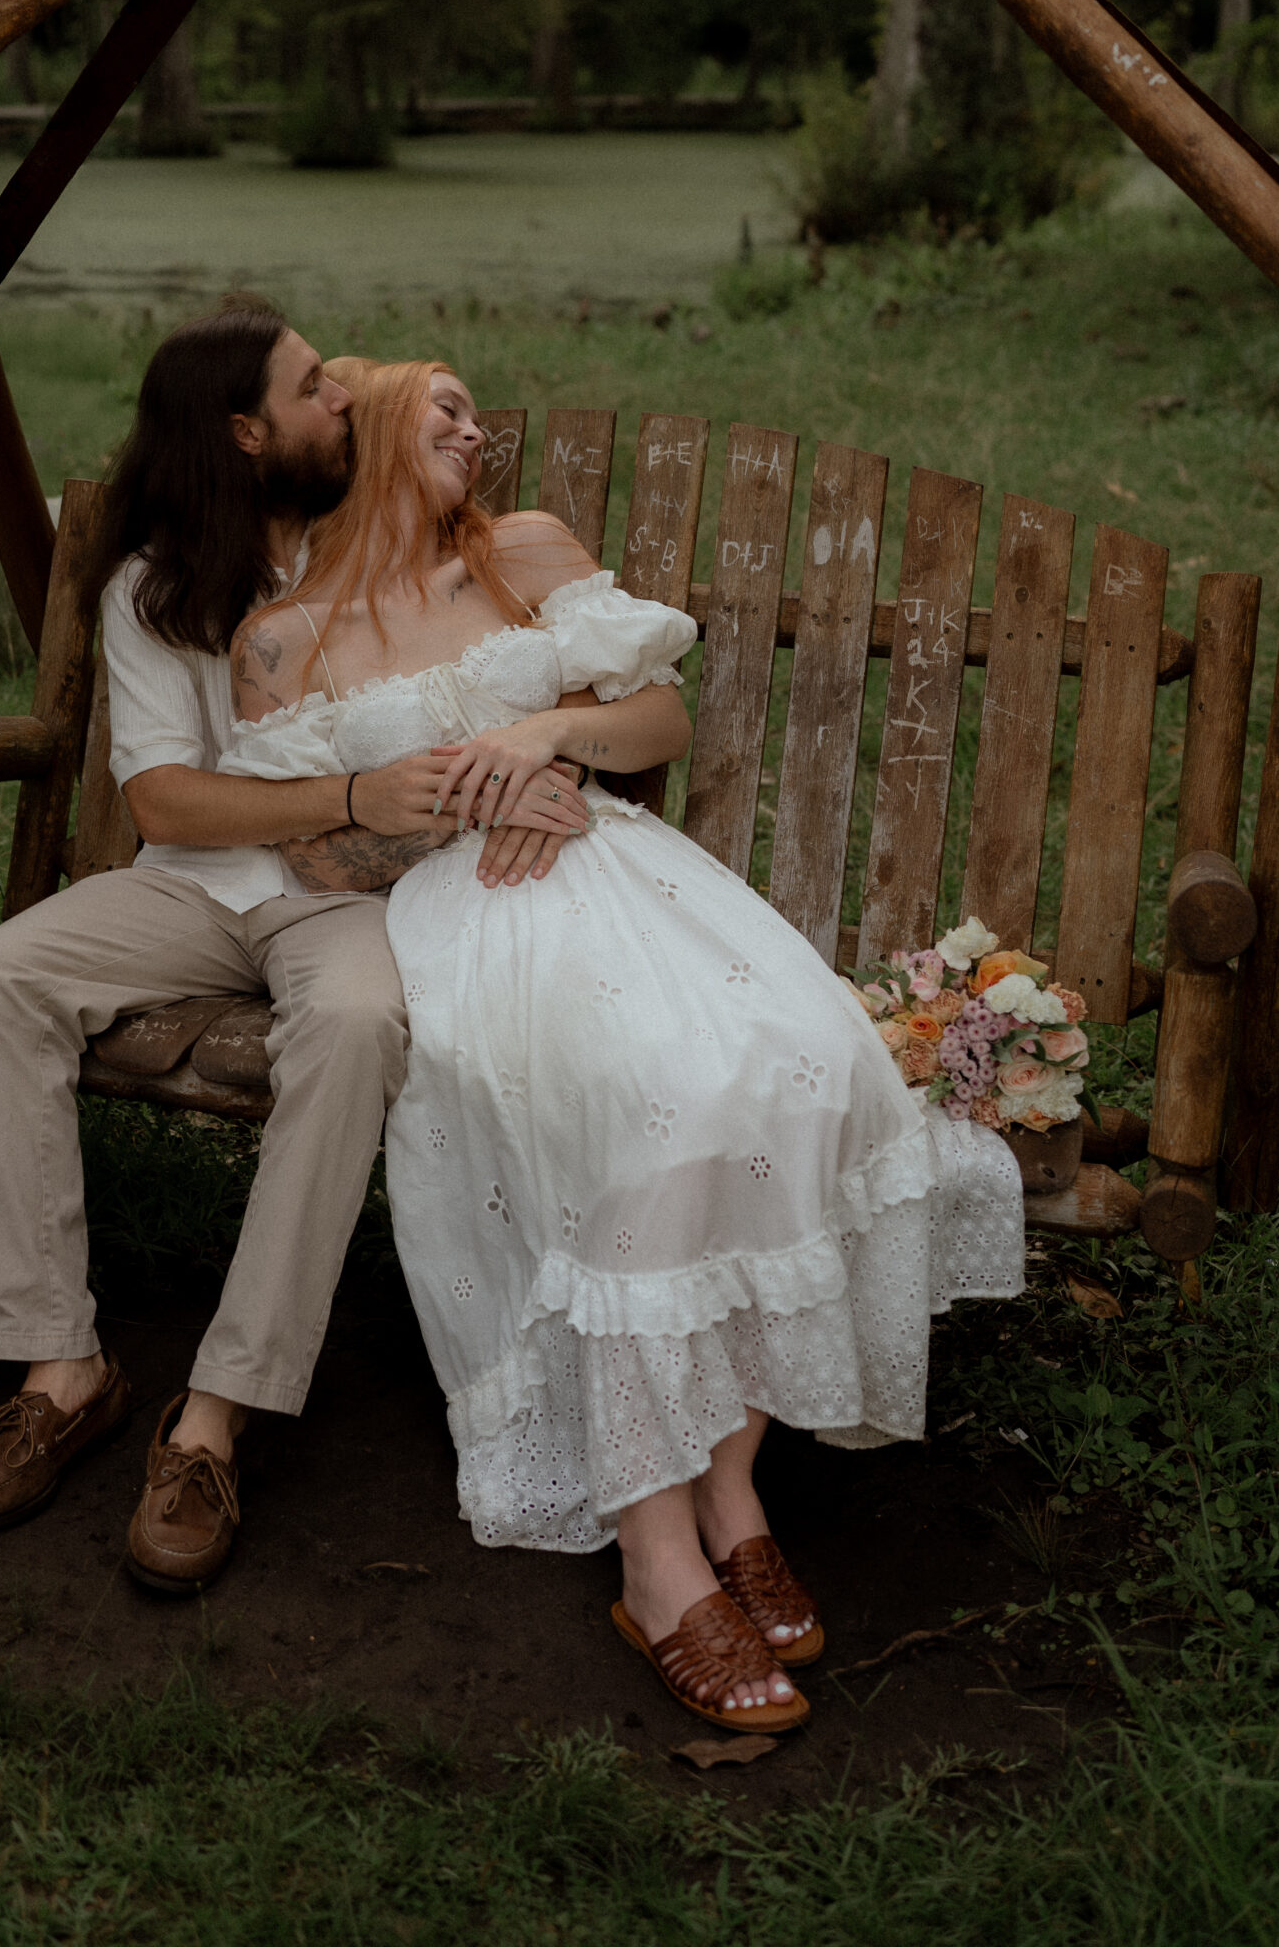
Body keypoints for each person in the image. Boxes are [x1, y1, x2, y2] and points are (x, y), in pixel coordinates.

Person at [220, 356, 1025, 1733]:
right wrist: (446, 807)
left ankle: (728, 1481)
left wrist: (550, 735)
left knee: (793, 1068)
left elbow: (659, 719)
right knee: (637, 1110)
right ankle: (657, 1564)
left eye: (480, 412)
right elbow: (310, 856)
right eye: (445, 408)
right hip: (467, 913)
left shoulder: (522, 553)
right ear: (355, 432)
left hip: (629, 872)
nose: (478, 431)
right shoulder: (280, 641)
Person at [0, 305, 587, 1590]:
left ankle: (218, 1413)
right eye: (312, 389)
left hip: (345, 902)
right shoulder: (154, 587)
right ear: (248, 432)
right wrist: (345, 797)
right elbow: (164, 803)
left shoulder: (377, 551)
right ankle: (59, 1366)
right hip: (190, 887)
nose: (341, 398)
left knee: (353, 1026)